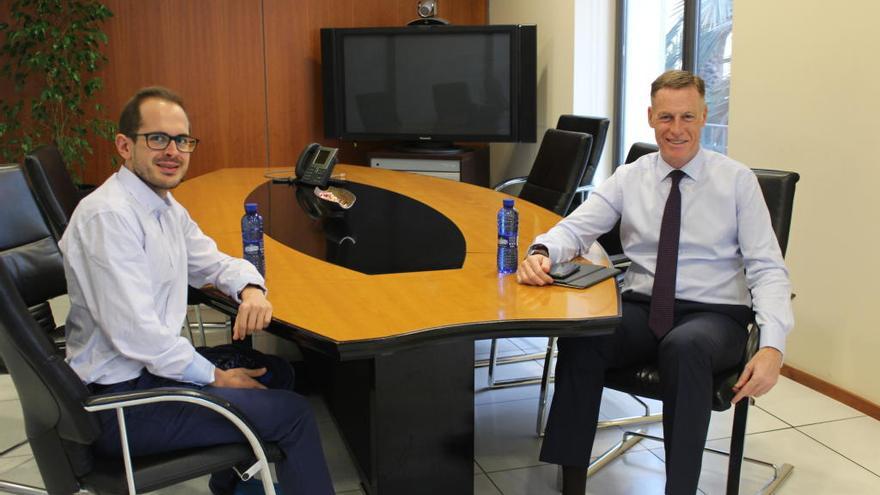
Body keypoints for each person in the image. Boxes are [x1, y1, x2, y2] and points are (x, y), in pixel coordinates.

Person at [517, 70, 793, 494]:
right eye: (666, 117)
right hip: (645, 307)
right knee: (584, 335)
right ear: (650, 116)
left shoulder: (737, 182)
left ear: (704, 117)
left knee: (686, 347)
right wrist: (541, 252)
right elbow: (574, 228)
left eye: (687, 117)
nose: (676, 129)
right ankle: (571, 482)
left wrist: (773, 345)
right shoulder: (631, 176)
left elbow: (768, 268)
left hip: (715, 316)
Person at [60, 86, 334, 494]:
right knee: (293, 414)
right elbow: (138, 335)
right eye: (157, 138)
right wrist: (215, 378)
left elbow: (214, 261)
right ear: (123, 145)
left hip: (149, 375)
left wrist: (251, 288)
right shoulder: (109, 217)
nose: (173, 151)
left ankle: (230, 485)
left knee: (278, 371)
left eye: (182, 140)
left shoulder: (164, 205)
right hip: (119, 403)